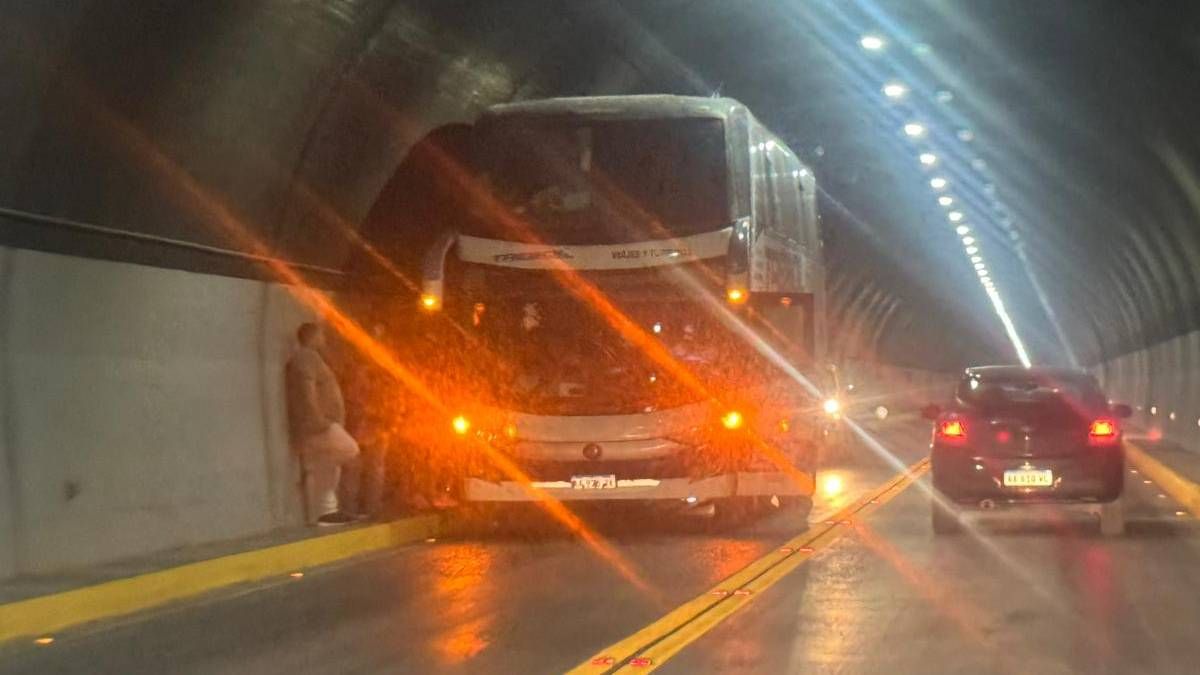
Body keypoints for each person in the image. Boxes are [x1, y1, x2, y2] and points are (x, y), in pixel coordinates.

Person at [286, 322, 360, 526]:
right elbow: (305, 388)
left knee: (329, 467)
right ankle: (326, 509)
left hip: (320, 425)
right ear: (313, 336)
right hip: (318, 426)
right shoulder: (307, 357)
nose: (324, 340)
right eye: (321, 336)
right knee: (349, 449)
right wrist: (317, 419)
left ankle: (327, 512)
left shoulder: (312, 359)